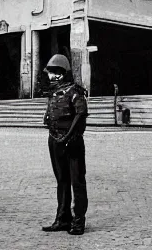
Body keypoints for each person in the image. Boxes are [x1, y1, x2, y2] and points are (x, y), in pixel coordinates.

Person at [42, 54, 88, 236]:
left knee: (77, 181)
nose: (48, 76)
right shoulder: (53, 93)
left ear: (60, 74)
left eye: (51, 72)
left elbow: (81, 114)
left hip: (72, 141)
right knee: (62, 181)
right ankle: (62, 218)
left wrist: (70, 135)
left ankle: (78, 221)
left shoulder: (74, 91)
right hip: (55, 140)